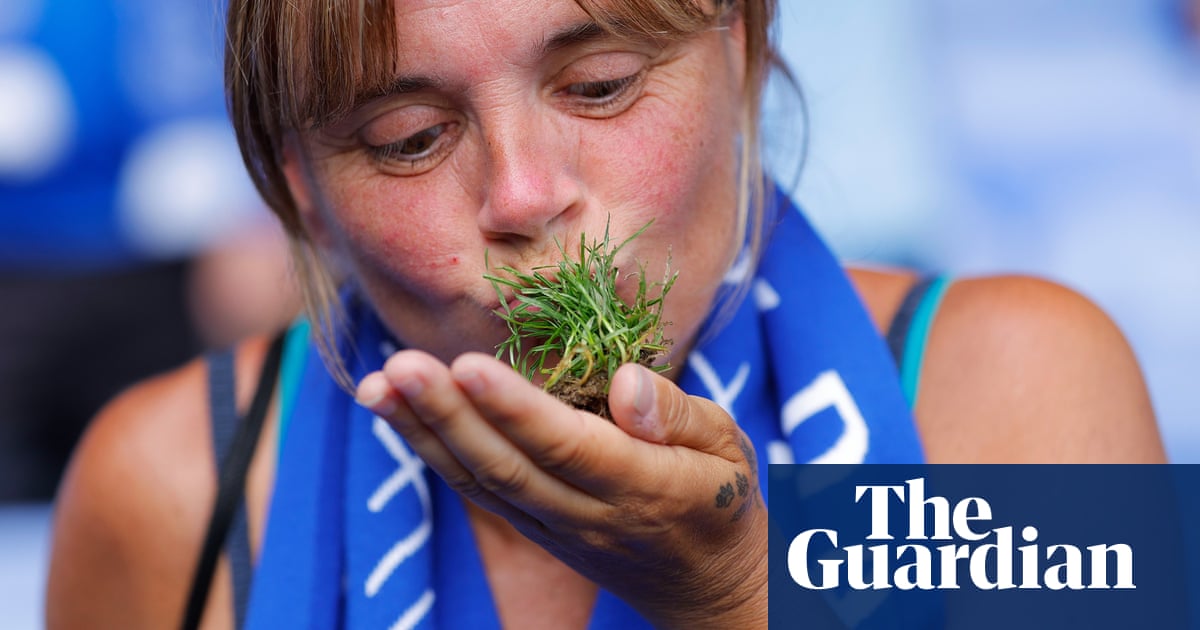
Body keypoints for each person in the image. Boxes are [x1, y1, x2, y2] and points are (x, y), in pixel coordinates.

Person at [45, 0, 1166, 628]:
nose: (527, 195)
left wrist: (739, 596)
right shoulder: (175, 495)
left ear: (743, 48)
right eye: (408, 139)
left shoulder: (1012, 390)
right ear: (302, 188)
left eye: (601, 85)